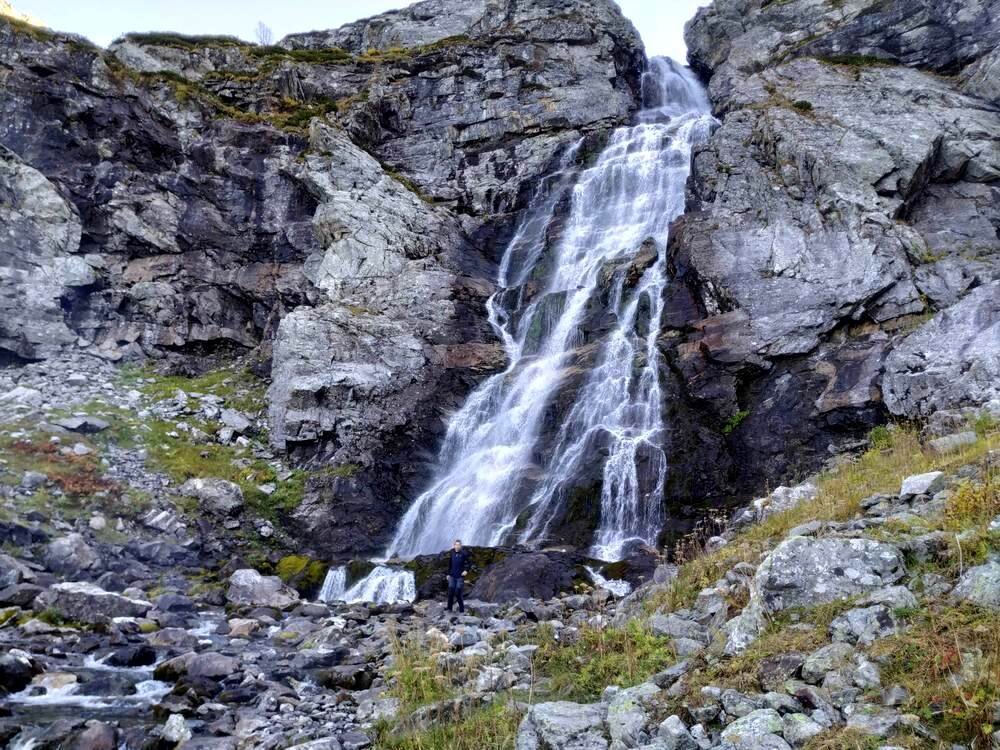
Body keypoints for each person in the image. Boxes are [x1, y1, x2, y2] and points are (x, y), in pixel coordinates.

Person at [446, 539, 469, 613]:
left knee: (458, 592)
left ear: (461, 546)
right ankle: (449, 609)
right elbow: (449, 564)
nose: (457, 546)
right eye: (456, 545)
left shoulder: (463, 554)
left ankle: (462, 610)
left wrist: (466, 570)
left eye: (459, 545)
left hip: (460, 577)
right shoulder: (452, 552)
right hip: (452, 576)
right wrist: (448, 574)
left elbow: (469, 563)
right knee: (450, 591)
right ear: (454, 545)